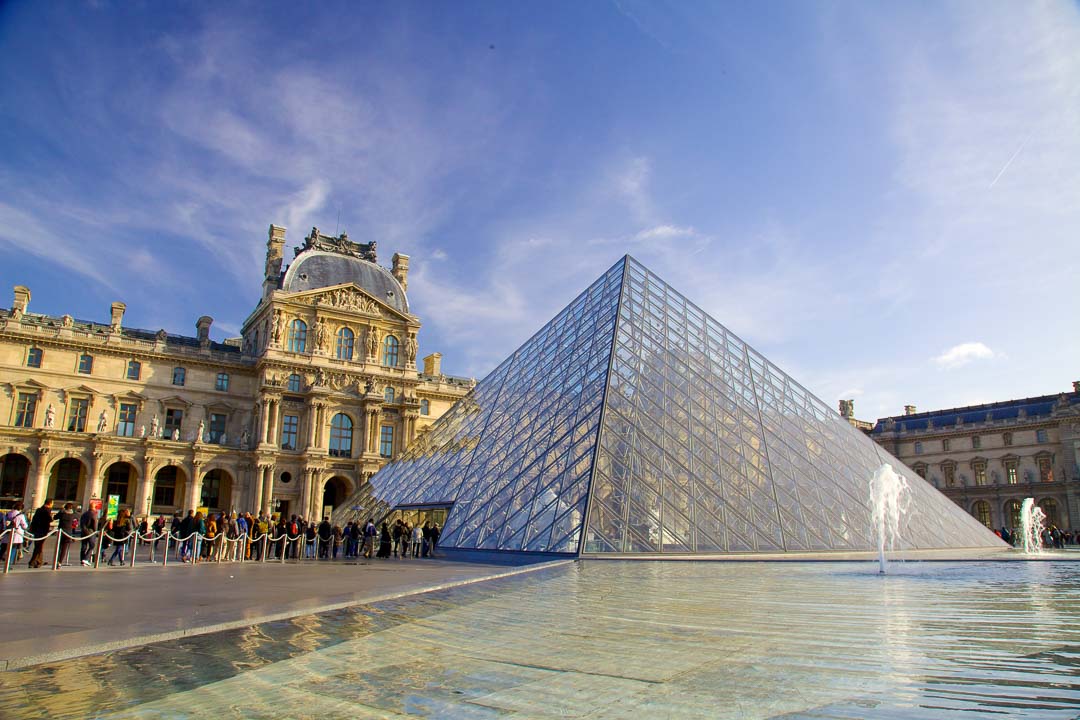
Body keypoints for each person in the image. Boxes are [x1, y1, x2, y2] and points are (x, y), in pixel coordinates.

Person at [28, 498, 55, 568]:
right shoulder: (47, 511)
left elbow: (34, 519)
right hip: (42, 530)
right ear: (50, 503)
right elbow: (50, 519)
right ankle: (32, 562)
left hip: (36, 529)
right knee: (39, 546)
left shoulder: (39, 509)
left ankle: (39, 561)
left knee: (39, 546)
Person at [4, 501, 27, 566]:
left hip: (7, 533)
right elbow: (24, 526)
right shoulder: (21, 515)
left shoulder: (8, 513)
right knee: (13, 549)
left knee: (4, 547)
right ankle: (9, 563)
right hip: (16, 534)